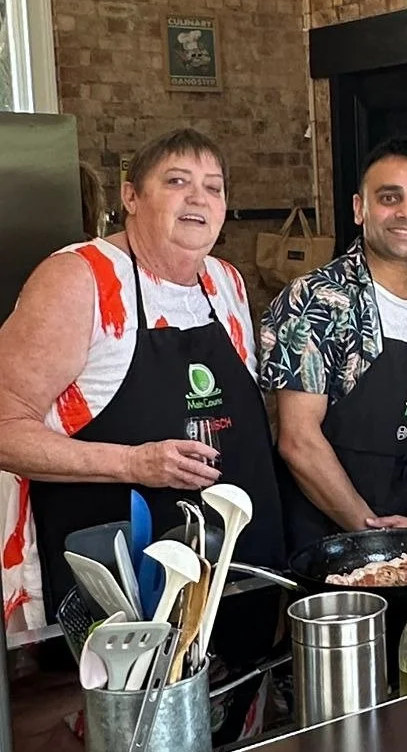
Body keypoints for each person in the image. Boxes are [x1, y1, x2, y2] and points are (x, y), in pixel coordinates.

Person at [0, 128, 284, 629]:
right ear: (130, 196)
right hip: (116, 591)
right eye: (177, 181)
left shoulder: (225, 281)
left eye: (214, 187)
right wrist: (134, 462)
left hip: (232, 577)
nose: (199, 197)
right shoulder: (80, 279)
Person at [262, 138, 407, 548]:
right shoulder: (317, 300)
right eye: (390, 197)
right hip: (328, 545)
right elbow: (298, 440)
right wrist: (374, 535)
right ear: (360, 208)